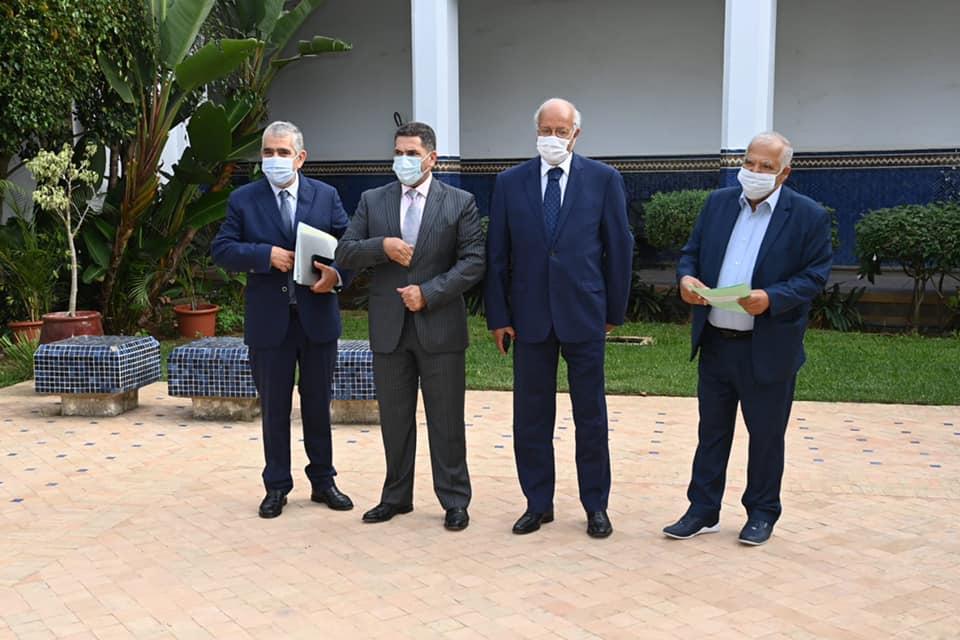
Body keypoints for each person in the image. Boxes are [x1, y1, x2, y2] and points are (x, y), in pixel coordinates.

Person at [663, 131, 832, 546]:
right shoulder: (719, 204)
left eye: (766, 167)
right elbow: (692, 252)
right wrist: (685, 277)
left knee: (766, 435)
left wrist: (771, 298)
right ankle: (702, 509)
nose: (754, 172)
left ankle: (761, 512)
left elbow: (814, 276)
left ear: (785, 173)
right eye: (750, 163)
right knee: (712, 433)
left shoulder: (807, 215)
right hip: (718, 342)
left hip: (768, 346)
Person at [484, 98, 634, 538]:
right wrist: (499, 315)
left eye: (561, 130)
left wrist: (614, 312)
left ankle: (596, 506)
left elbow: (618, 249)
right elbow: (498, 256)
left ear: (576, 134)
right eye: (545, 129)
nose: (553, 137)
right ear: (536, 132)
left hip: (584, 315)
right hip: (528, 318)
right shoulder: (510, 183)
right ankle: (537, 502)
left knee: (591, 416)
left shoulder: (604, 180)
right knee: (530, 416)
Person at [335, 122, 484, 531]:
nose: (403, 160)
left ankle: (455, 499)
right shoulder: (372, 200)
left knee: (446, 419)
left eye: (412, 153)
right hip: (389, 328)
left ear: (432, 158)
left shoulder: (460, 202)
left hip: (440, 327)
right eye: (398, 152)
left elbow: (473, 262)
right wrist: (380, 247)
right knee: (395, 419)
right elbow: (345, 251)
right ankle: (396, 497)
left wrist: (430, 292)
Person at [212, 121, 354, 519]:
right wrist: (264, 255)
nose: (274, 160)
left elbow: (350, 247)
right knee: (274, 408)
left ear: (300, 157)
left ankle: (323, 481)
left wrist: (337, 276)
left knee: (317, 405)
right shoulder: (244, 199)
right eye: (268, 153)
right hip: (269, 322)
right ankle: (276, 486)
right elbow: (222, 249)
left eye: (282, 153)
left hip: (317, 317)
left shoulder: (325, 196)